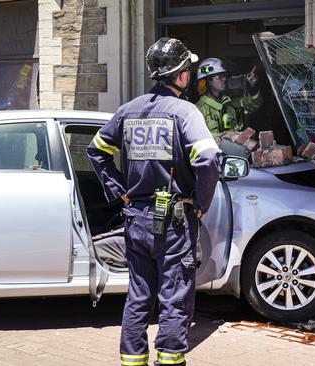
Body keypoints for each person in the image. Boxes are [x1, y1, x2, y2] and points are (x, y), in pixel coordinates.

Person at [87, 37, 221, 366]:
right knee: (174, 296)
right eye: (187, 69)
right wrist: (202, 202)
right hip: (174, 222)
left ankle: (133, 360)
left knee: (139, 294)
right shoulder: (185, 112)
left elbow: (96, 150)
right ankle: (170, 361)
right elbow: (209, 160)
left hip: (135, 219)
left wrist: (117, 189)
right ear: (180, 75)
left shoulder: (128, 111)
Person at [195, 58, 263, 139]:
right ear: (207, 80)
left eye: (224, 76)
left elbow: (254, 103)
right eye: (220, 76)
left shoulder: (228, 103)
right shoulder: (198, 110)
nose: (224, 79)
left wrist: (253, 86)